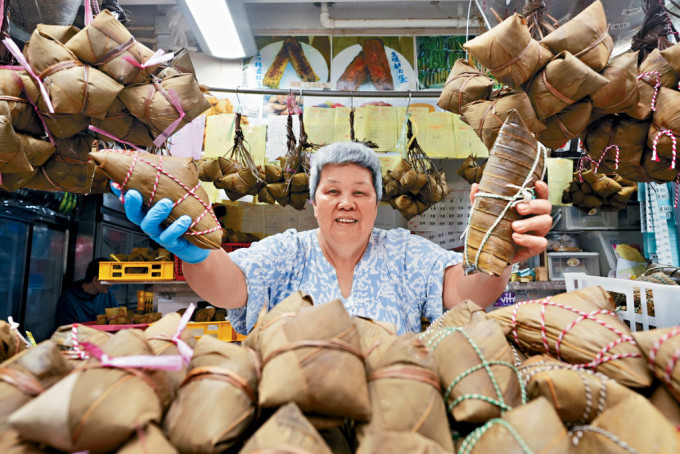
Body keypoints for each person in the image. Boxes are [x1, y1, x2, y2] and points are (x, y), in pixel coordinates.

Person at [117, 142, 552, 335]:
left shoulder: (405, 251)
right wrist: (192, 253)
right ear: (314, 204)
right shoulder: (287, 251)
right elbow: (230, 288)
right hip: (288, 429)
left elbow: (465, 293)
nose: (347, 202)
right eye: (333, 192)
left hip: (390, 424)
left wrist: (501, 253)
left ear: (376, 202)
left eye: (360, 192)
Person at [55, 258, 120, 326]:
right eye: (108, 280)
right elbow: (67, 330)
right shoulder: (68, 301)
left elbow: (117, 318)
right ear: (95, 280)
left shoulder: (107, 295)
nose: (111, 284)